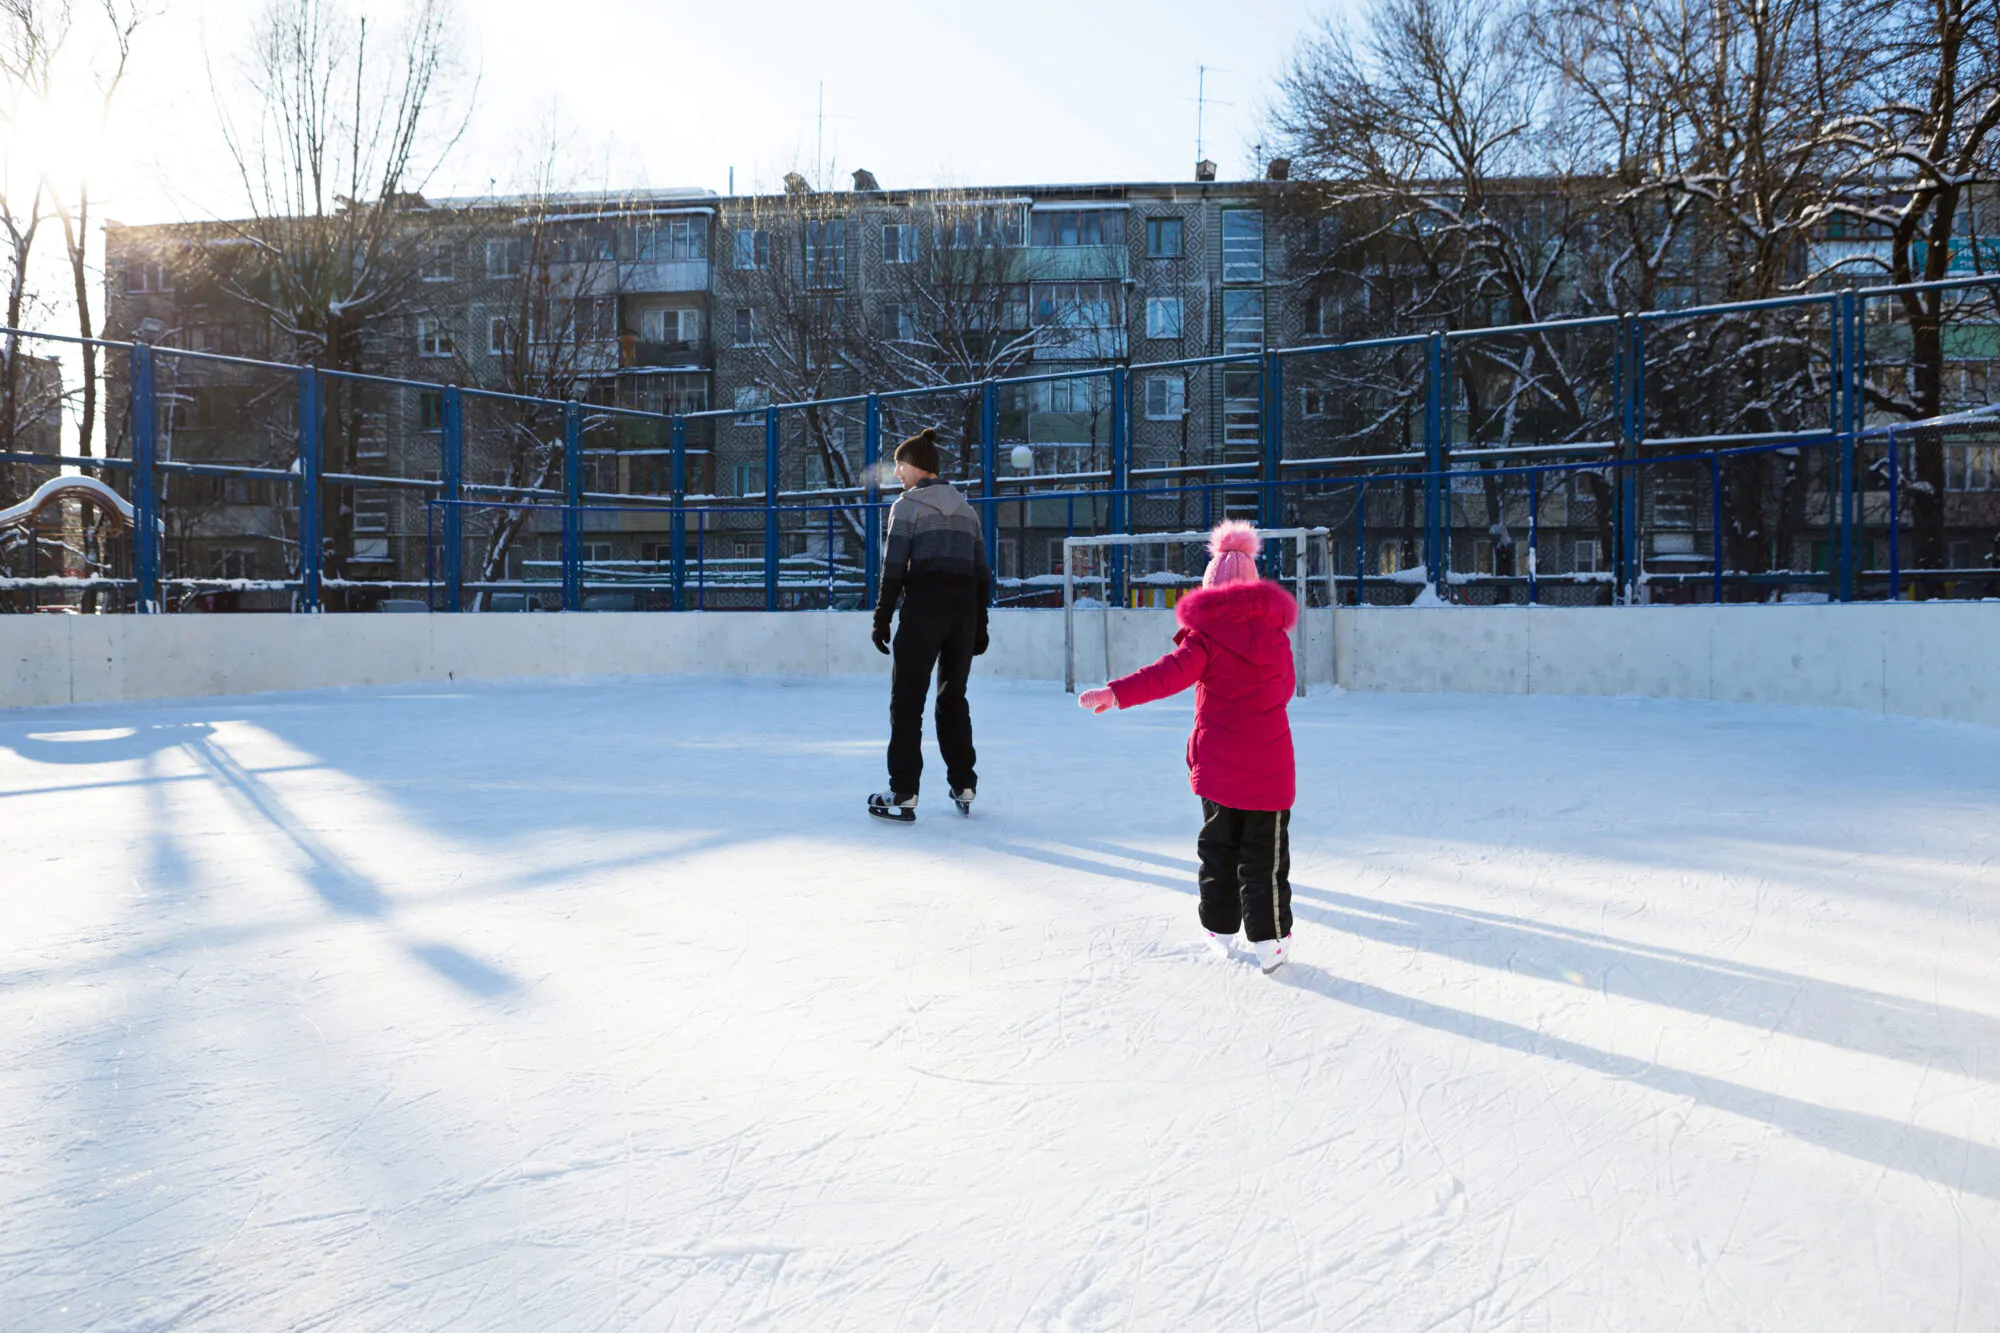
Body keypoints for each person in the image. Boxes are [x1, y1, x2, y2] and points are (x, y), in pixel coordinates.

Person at [1078, 521, 1298, 972]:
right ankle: (1271, 939)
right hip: (1270, 770)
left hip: (1218, 769)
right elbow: (1285, 690)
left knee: (1219, 848)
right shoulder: (1277, 638)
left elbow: (1164, 676)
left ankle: (1219, 925)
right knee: (1266, 857)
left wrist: (1114, 693)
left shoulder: (1204, 640)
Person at [867, 427, 990, 823]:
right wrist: (980, 624)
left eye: (900, 465)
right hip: (963, 614)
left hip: (924, 610)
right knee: (952, 699)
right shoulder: (968, 512)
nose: (897, 473)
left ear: (916, 467)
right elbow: (982, 573)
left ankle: (903, 791)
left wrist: (882, 617)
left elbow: (894, 568)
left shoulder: (906, 508)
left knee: (907, 700)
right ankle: (964, 782)